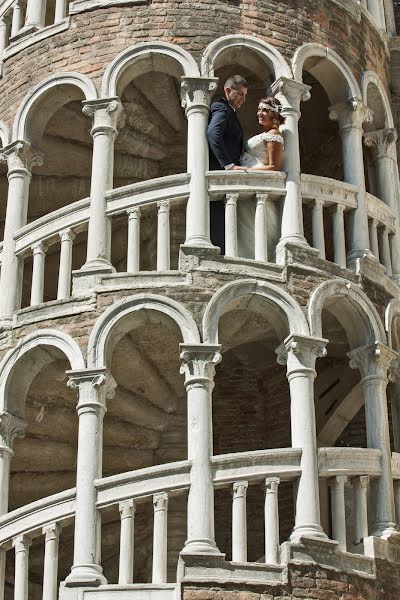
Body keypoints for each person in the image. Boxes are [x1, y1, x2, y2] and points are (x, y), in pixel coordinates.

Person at [238, 97, 285, 258]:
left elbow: (274, 166)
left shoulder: (274, 136)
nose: (259, 113)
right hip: (249, 186)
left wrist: (247, 171)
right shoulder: (265, 134)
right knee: (246, 229)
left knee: (258, 228)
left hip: (258, 184)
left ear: (274, 114)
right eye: (259, 110)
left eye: (264, 110)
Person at [207, 75, 248, 252]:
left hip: (225, 179)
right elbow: (213, 134)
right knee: (219, 220)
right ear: (228, 91)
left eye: (245, 95)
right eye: (240, 94)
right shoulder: (221, 108)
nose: (243, 99)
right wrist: (229, 165)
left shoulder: (229, 111)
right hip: (219, 175)